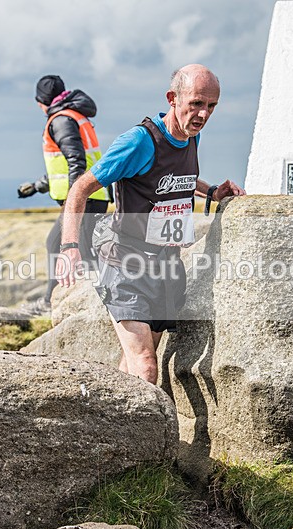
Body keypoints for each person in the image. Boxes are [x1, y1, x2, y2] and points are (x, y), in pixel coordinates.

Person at [57, 64, 246, 384]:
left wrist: (211, 190)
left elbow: (176, 177)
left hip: (164, 263)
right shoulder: (139, 142)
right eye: (196, 104)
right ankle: (139, 433)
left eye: (211, 106)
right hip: (124, 260)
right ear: (173, 98)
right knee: (146, 367)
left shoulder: (190, 137)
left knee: (136, 364)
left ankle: (115, 425)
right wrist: (70, 246)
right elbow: (80, 189)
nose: (203, 114)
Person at [18, 74, 111, 314]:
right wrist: (39, 186)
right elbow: (64, 167)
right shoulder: (74, 116)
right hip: (91, 195)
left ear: (43, 101)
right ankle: (60, 303)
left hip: (84, 199)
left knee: (70, 249)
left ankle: (60, 305)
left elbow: (76, 164)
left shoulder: (60, 120)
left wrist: (73, 199)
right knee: (70, 248)